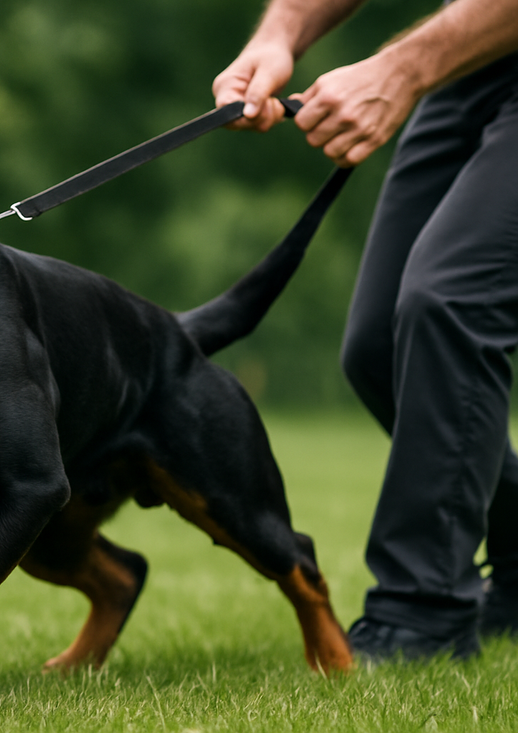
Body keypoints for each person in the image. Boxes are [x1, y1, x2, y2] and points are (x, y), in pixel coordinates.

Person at [213, 0, 518, 660]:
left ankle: (422, 615)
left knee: (452, 300)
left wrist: (402, 69)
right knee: (380, 345)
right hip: (483, 48)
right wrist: (280, 34)